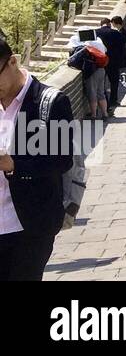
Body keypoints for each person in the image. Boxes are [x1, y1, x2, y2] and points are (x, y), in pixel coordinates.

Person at [0, 32, 76, 280]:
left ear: (13, 62)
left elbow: (62, 160)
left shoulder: (50, 102)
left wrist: (12, 164)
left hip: (28, 225)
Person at [97, 16, 126, 111]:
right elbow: (124, 40)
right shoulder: (115, 33)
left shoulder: (95, 32)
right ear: (109, 24)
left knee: (101, 83)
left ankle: (102, 101)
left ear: (101, 24)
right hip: (113, 62)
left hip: (100, 62)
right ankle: (113, 100)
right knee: (114, 82)